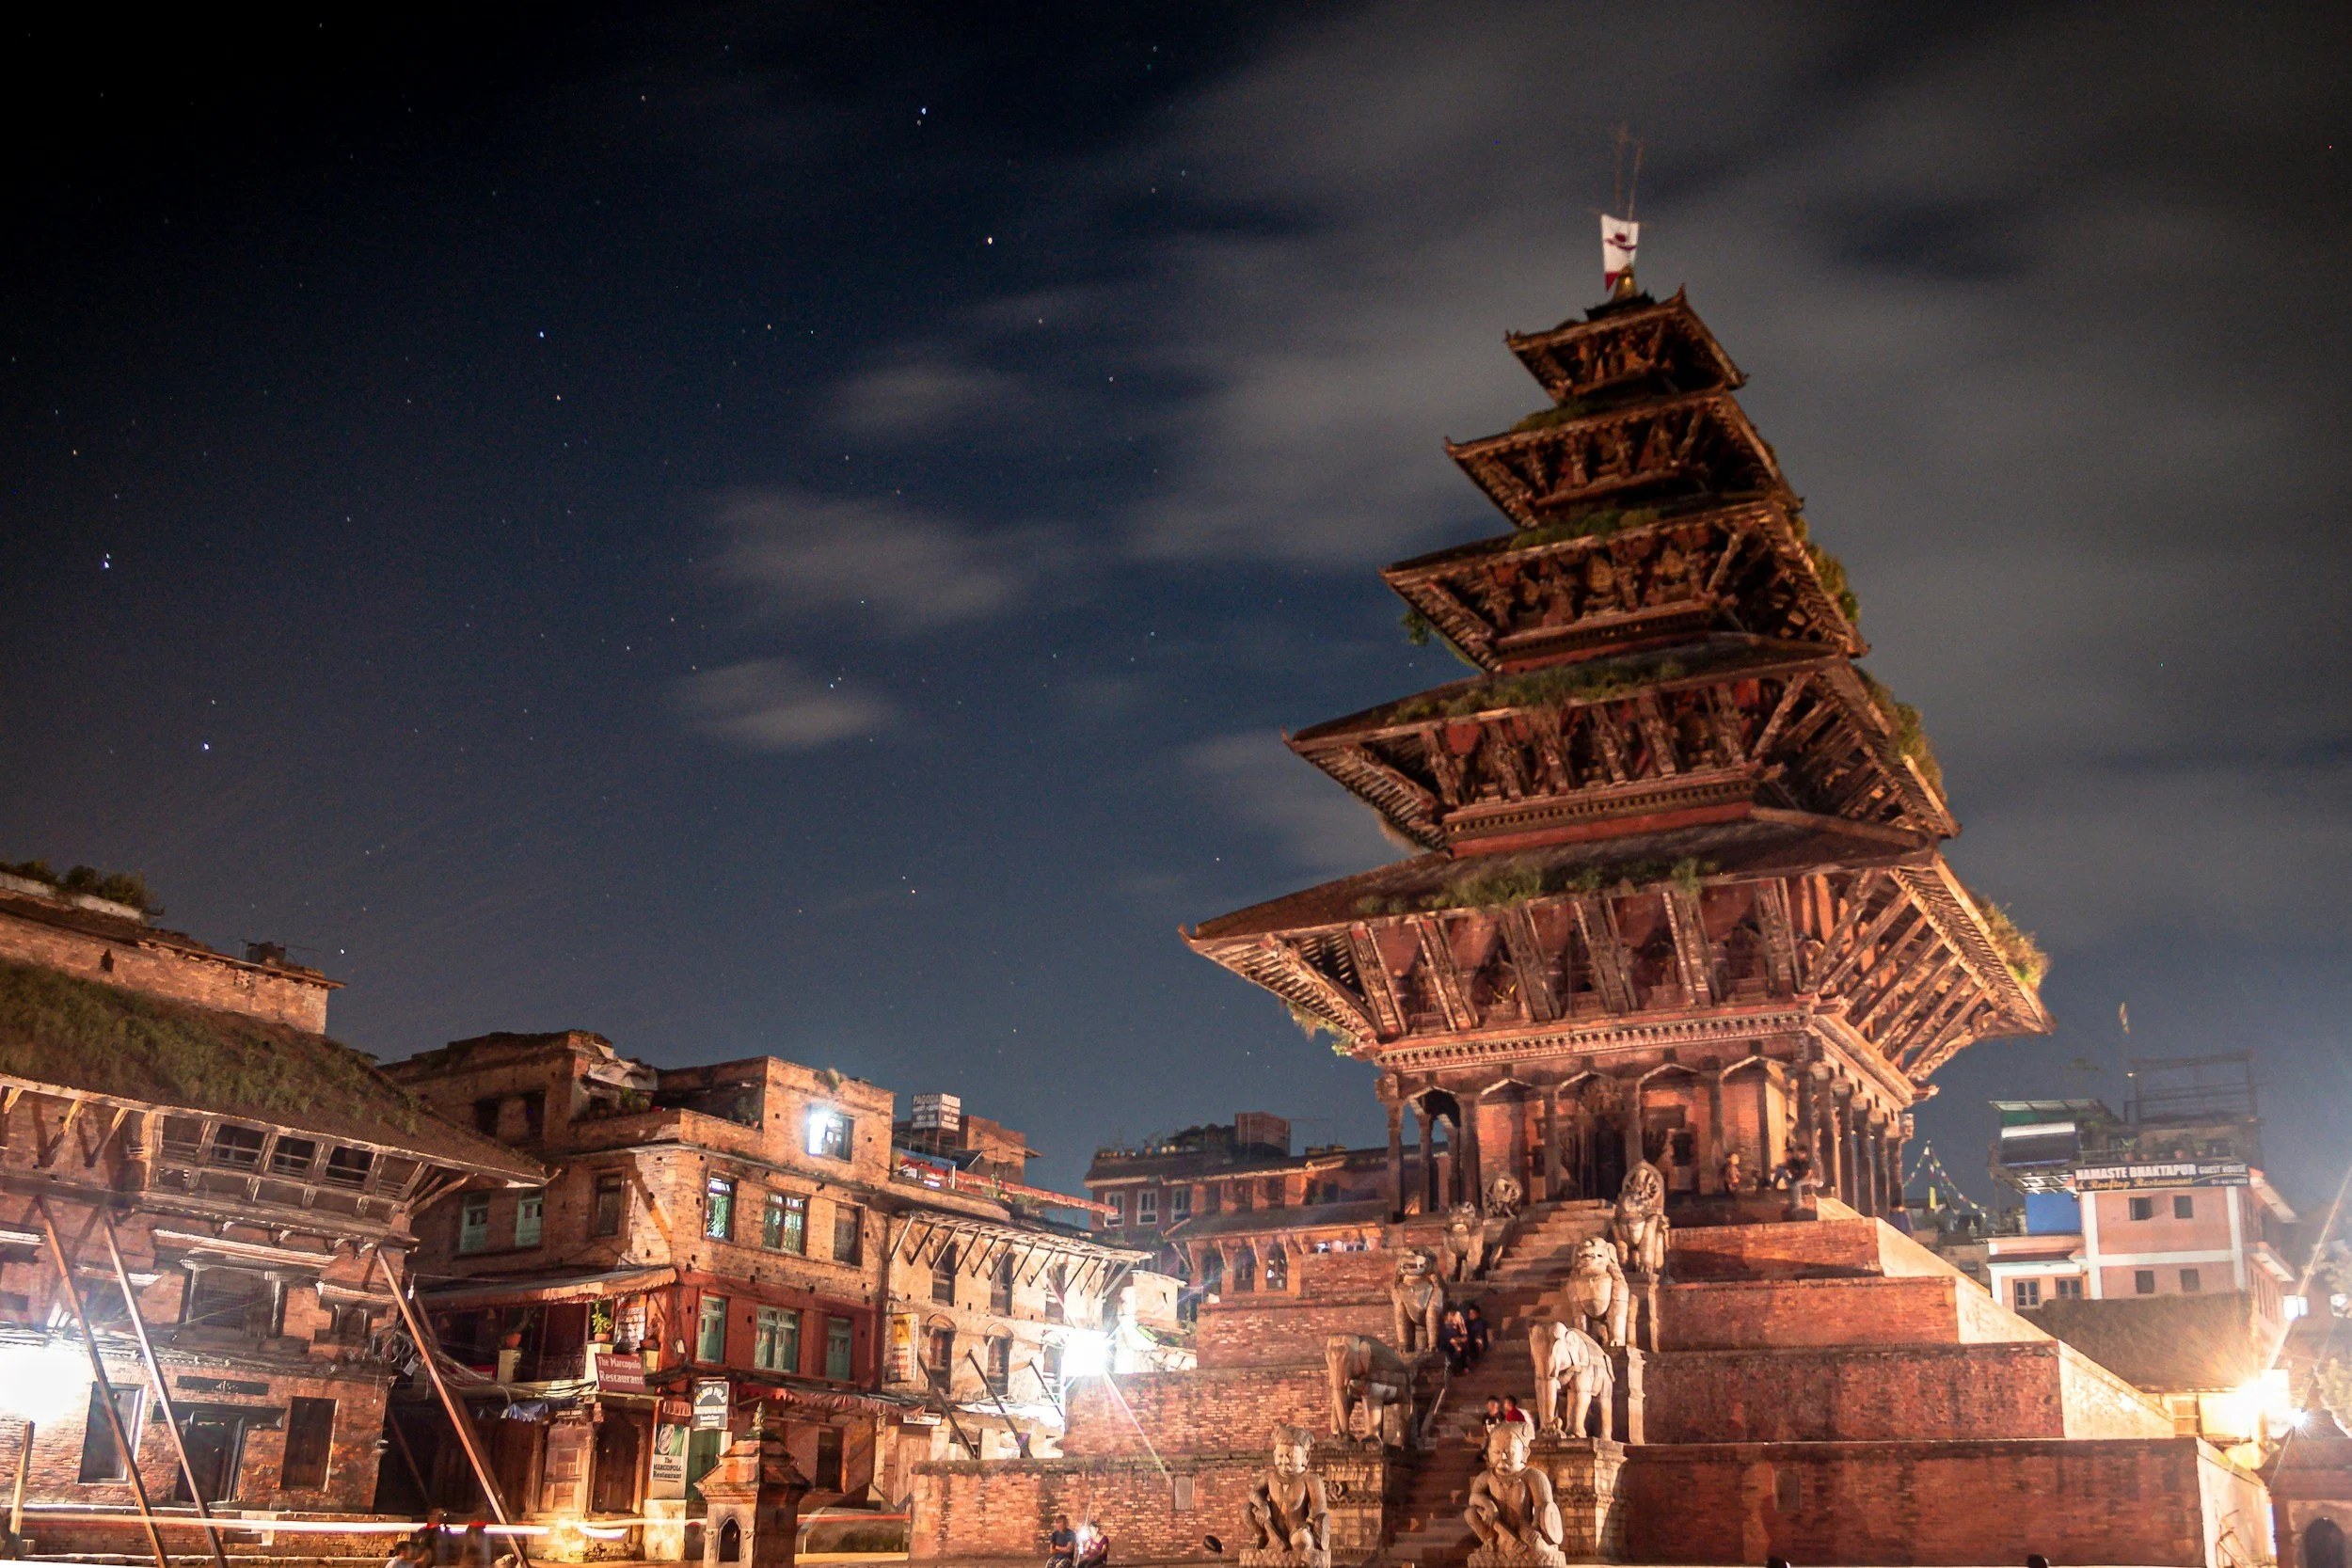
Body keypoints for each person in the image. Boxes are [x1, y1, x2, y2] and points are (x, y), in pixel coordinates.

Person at [1438, 1309, 1469, 1373]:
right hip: (1445, 1344)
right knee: (1454, 1349)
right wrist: (1457, 1346)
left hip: (1455, 1341)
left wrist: (1461, 1324)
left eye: (1454, 1314)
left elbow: (1464, 1334)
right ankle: (1452, 1369)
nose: (1453, 1317)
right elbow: (1447, 1337)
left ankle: (1464, 1367)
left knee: (1464, 1347)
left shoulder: (1456, 1321)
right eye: (1451, 1314)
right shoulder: (1442, 1324)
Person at [1463, 1304, 1492, 1368]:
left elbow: (1483, 1333)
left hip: (1479, 1341)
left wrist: (1479, 1338)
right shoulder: (1466, 1322)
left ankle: (1478, 1359)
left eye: (1473, 1313)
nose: (1471, 1315)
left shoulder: (1482, 1322)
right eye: (1470, 1313)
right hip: (1469, 1341)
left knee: (1478, 1342)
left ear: (1477, 1314)